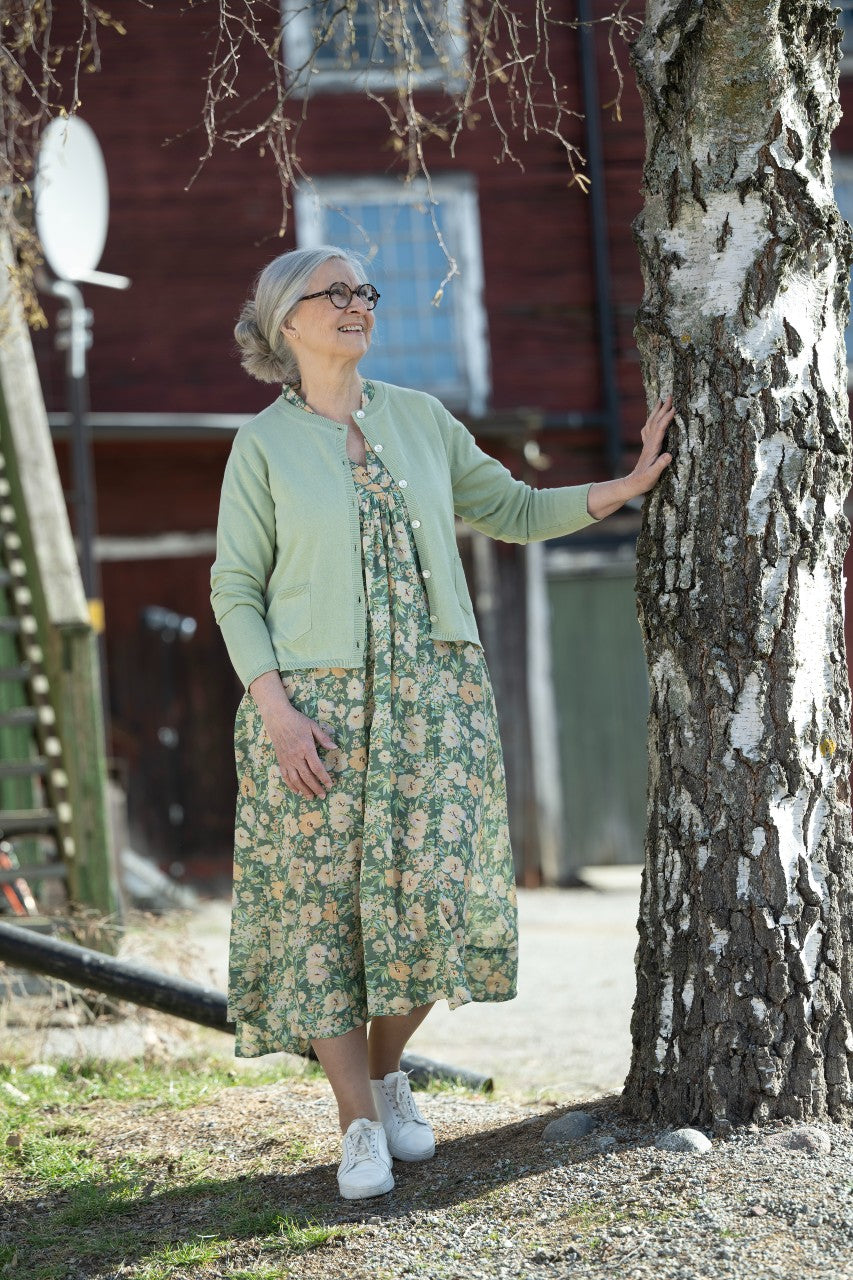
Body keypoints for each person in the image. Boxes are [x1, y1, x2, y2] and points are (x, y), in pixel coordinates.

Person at [210, 245, 673, 1201]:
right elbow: (234, 587)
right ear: (283, 321)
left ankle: (387, 1073)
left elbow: (507, 506)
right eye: (331, 292)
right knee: (318, 921)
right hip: (315, 716)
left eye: (363, 291)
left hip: (437, 704)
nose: (355, 304)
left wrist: (618, 491)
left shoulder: (420, 421)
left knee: (438, 901)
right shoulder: (261, 445)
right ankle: (355, 1125)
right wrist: (278, 712)